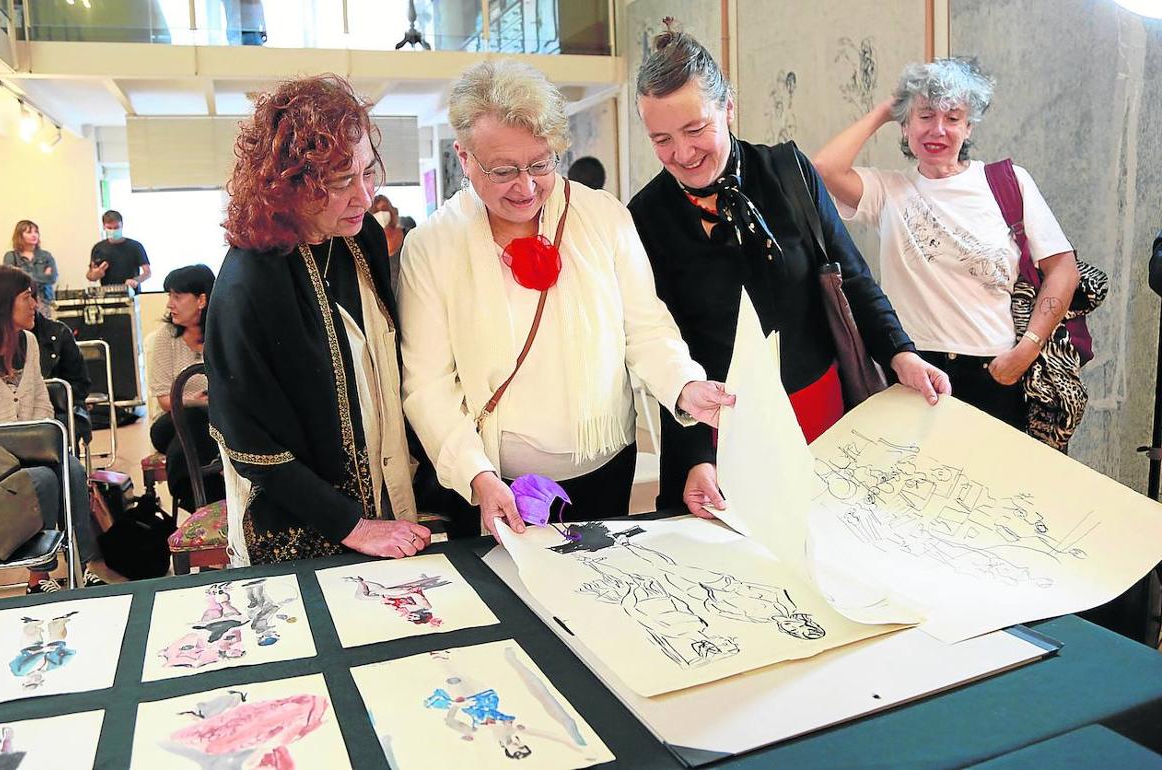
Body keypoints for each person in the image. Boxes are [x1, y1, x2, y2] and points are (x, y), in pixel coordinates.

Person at [400, 59, 733, 542]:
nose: (526, 186)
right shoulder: (433, 246)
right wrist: (477, 475)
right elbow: (428, 385)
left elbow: (646, 330)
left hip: (605, 466)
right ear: (464, 157)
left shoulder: (602, 217)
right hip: (495, 479)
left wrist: (684, 385)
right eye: (503, 170)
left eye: (540, 163)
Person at [627, 27, 948, 518]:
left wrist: (900, 351)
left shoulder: (788, 171)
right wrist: (695, 457)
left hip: (819, 410)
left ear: (728, 107)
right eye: (662, 140)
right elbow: (664, 344)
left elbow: (853, 279)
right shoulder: (646, 215)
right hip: (719, 430)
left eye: (695, 131)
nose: (683, 154)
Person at [207, 75, 430, 565]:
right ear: (288, 185)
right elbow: (249, 442)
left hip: (384, 492)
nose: (365, 198)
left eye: (368, 173)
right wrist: (351, 525)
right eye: (339, 183)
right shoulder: (249, 280)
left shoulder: (359, 237)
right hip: (303, 522)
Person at [813, 58, 1079, 432]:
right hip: (912, 367)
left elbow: (1062, 269)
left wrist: (1028, 348)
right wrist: (887, 109)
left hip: (996, 368)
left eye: (953, 118)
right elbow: (824, 168)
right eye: (924, 116)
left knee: (994, 486)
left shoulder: (1006, 182)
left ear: (968, 128)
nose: (938, 129)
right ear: (905, 127)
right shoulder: (888, 190)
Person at [0, 266, 108, 593]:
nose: (35, 306)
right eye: (27, 297)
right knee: (42, 479)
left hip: (25, 456)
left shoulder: (27, 342)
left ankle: (79, 568)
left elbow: (41, 404)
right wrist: (7, 451)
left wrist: (38, 446)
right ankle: (38, 578)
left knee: (69, 467)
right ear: (0, 304)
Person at [145, 264, 224, 512]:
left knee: (206, 425)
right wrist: (198, 401)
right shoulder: (165, 338)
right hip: (171, 422)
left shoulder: (222, 334)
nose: (170, 304)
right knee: (194, 417)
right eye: (169, 296)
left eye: (177, 296)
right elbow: (165, 400)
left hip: (217, 421)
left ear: (202, 299)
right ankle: (205, 496)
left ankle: (195, 496)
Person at [32, 311, 93, 452]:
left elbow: (80, 384)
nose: (33, 304)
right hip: (14, 419)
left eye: (34, 297)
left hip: (59, 411)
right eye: (26, 297)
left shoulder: (58, 332)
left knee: (60, 428)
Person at [2, 220, 58, 313]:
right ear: (19, 235)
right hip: (21, 303)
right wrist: (41, 276)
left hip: (45, 302)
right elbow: (11, 281)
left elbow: (52, 278)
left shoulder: (46, 256)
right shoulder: (11, 256)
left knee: (44, 326)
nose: (34, 235)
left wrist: (24, 275)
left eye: (36, 232)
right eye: (29, 232)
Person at [85, 210, 151, 289]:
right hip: (107, 295)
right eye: (109, 228)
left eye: (116, 227)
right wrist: (95, 274)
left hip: (131, 294)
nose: (113, 231)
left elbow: (147, 273)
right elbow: (90, 275)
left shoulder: (135, 246)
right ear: (104, 227)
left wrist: (135, 280)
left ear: (122, 225)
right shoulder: (98, 248)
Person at [369, 193, 406, 294]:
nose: (381, 214)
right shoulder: (368, 245)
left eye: (384, 209)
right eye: (376, 211)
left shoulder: (408, 237)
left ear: (392, 211)